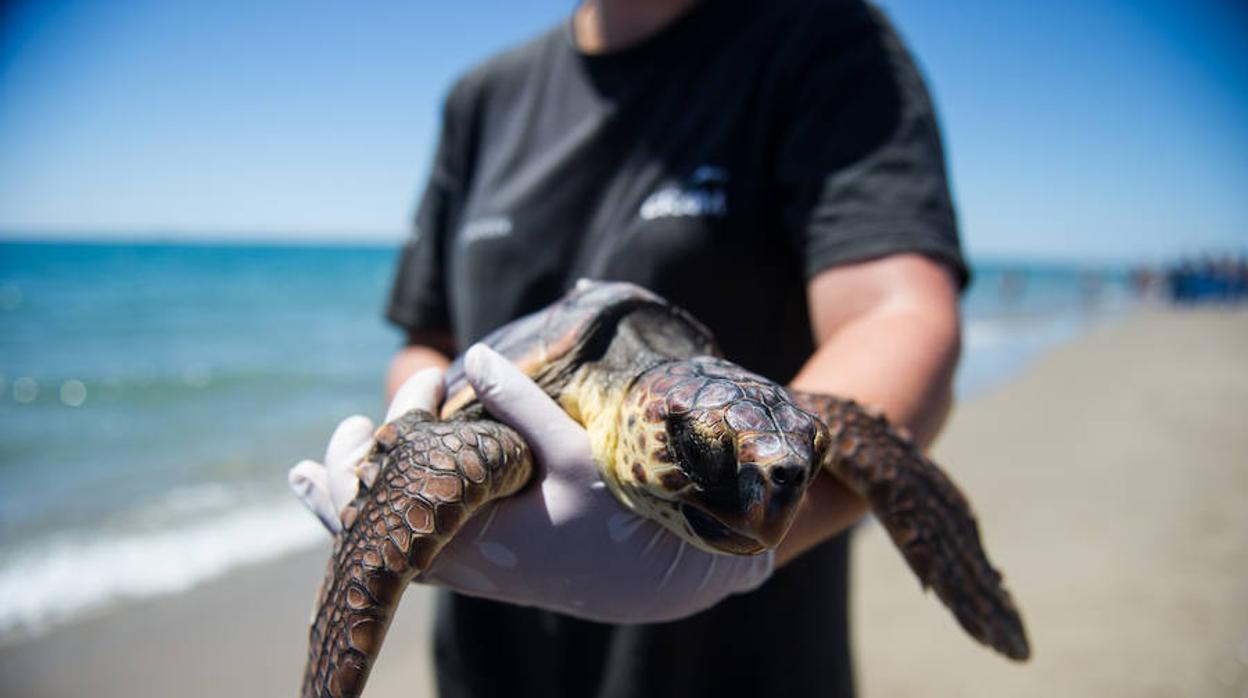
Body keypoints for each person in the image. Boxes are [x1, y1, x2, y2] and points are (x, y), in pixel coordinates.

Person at [293, 0, 966, 695]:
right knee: (445, 473)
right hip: (494, 665)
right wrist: (413, 433)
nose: (767, 500)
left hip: (740, 668)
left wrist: (754, 556)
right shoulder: (482, 98)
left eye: (793, 471)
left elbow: (893, 311)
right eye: (705, 449)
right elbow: (424, 344)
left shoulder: (819, 38)